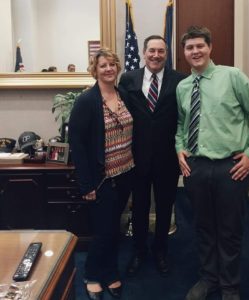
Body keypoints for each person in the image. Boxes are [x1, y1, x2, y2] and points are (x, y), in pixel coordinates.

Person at [176, 26, 249, 300]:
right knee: (204, 226)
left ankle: (230, 286)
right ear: (184, 53)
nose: (195, 51)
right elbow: (182, 125)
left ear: (210, 48)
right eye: (190, 47)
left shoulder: (232, 77)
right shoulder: (183, 87)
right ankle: (209, 279)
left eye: (200, 46)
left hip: (231, 168)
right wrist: (179, 148)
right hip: (195, 167)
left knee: (230, 230)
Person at [69, 48, 134, 300]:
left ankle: (109, 271)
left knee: (113, 228)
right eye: (103, 65)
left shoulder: (124, 95)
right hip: (101, 179)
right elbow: (78, 144)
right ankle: (93, 274)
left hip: (126, 173)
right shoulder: (86, 101)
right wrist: (86, 184)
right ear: (94, 70)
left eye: (112, 65)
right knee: (104, 231)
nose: (108, 69)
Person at [118, 35, 186, 277]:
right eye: (152, 51)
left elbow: (183, 117)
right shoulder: (128, 79)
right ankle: (138, 251)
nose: (156, 55)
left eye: (161, 51)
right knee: (140, 207)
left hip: (168, 158)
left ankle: (160, 250)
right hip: (136, 157)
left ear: (166, 54)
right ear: (144, 53)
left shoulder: (181, 80)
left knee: (166, 206)